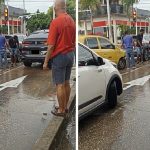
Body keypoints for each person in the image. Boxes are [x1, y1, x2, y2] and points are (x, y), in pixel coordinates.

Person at [43, 0, 75, 117]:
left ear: (55, 8)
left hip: (59, 57)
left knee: (59, 84)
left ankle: (61, 110)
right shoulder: (72, 20)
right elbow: (71, 39)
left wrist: (45, 62)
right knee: (66, 83)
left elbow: (51, 46)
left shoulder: (55, 22)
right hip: (70, 55)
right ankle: (65, 107)